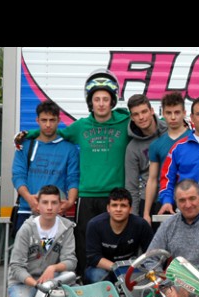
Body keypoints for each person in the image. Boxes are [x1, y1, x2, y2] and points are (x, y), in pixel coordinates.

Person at [14, 69, 131, 278]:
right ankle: (85, 285)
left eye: (105, 99)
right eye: (96, 99)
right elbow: (53, 132)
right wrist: (28, 134)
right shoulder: (80, 126)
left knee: (116, 241)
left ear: (113, 101)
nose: (101, 104)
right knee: (84, 244)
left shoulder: (125, 123)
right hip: (86, 196)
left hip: (114, 195)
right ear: (90, 102)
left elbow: (148, 125)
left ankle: (116, 284)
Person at [12, 101, 79, 232]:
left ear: (59, 120)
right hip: (27, 210)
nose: (48, 125)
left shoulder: (70, 149)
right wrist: (30, 199)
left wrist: (70, 201)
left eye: (52, 120)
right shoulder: (24, 145)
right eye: (44, 120)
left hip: (56, 212)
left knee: (55, 247)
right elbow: (18, 176)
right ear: (37, 120)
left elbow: (73, 178)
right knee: (25, 246)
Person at [7, 185, 77, 297]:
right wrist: (36, 285)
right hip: (24, 282)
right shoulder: (27, 229)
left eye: (54, 203)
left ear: (60, 205)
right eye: (45, 202)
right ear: (38, 205)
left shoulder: (66, 228)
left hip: (52, 279)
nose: (49, 207)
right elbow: (16, 266)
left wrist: (53, 268)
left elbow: (71, 261)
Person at [84, 188, 153, 284]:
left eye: (123, 206)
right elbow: (93, 258)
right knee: (97, 275)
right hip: (102, 268)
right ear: (108, 208)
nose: (118, 209)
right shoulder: (94, 225)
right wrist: (118, 269)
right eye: (114, 205)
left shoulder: (141, 225)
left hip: (129, 268)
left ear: (130, 209)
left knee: (145, 276)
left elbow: (151, 253)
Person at [143, 91, 190, 226]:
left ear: (184, 113)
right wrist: (146, 213)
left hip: (190, 199)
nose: (173, 117)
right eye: (169, 113)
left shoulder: (194, 139)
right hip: (164, 201)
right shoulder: (156, 145)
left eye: (177, 112)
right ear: (163, 113)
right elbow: (152, 179)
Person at [124, 94, 167, 217]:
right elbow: (131, 187)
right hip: (148, 202)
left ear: (152, 111)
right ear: (132, 117)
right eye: (136, 114)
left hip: (173, 197)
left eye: (144, 112)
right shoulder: (132, 148)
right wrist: (134, 217)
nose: (141, 117)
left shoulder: (170, 132)